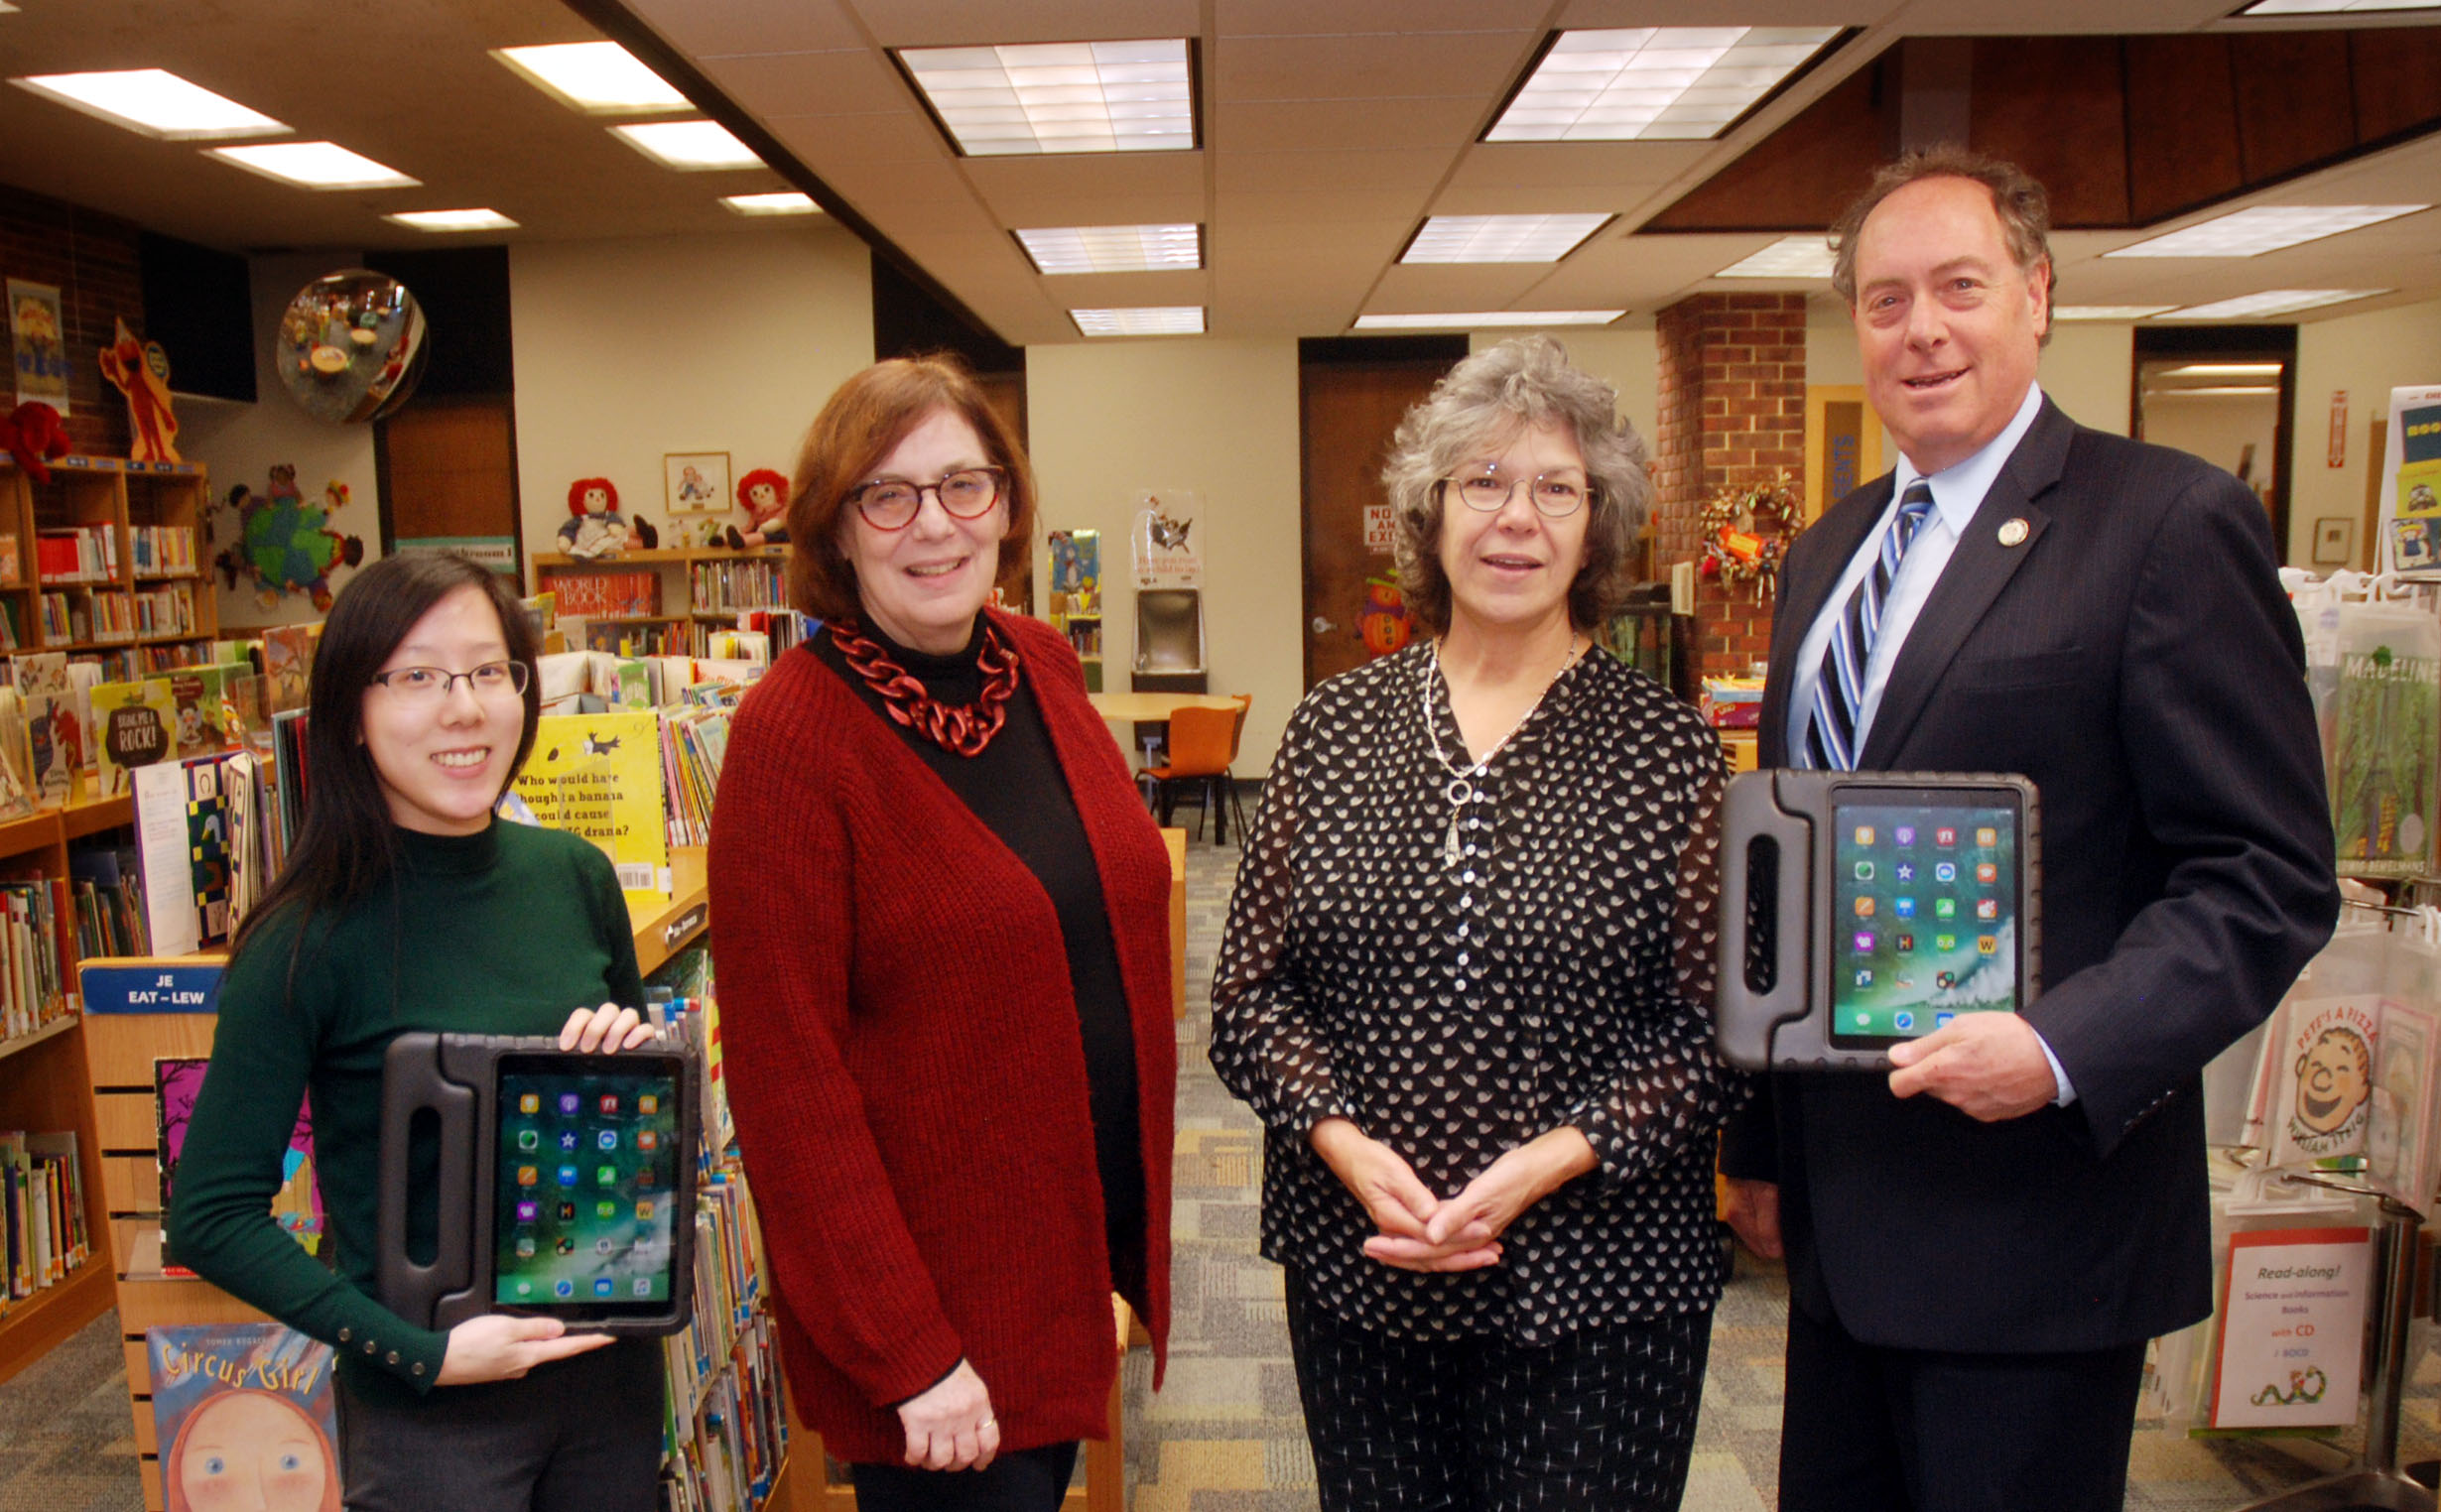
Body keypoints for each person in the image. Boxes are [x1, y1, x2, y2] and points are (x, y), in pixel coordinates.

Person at [1718, 146, 2341, 1511]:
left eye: (1960, 287)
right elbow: (1797, 873)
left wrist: (2061, 1049)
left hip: (2033, 1226)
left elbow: (2267, 875)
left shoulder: (2166, 522)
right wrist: (1758, 1146)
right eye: (1886, 300)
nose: (1922, 330)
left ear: (2039, 295)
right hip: (1841, 1224)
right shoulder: (1828, 553)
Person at [1211, 336, 1745, 1510]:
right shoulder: (1333, 730)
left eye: (1556, 488)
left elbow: (1718, 1033)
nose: (1517, 518)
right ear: (1432, 512)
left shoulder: (1668, 754)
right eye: (1484, 482)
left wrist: (1548, 1162)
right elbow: (1250, 998)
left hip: (1602, 1282)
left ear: (1598, 526)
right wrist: (1344, 1145)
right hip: (1362, 1265)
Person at [707, 353, 1175, 1509]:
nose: (935, 524)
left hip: (1061, 1263)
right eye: (888, 494)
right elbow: (786, 1085)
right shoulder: (790, 737)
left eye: (965, 484)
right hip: (935, 1328)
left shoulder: (1041, 664)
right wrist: (905, 1352)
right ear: (836, 526)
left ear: (1006, 505)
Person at [168, 552, 667, 1511]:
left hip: (607, 1377)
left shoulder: (574, 876)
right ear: (351, 714)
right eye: (419, 677)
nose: (464, 709)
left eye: (489, 672)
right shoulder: (305, 936)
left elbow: (641, 1150)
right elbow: (211, 1216)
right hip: (436, 1416)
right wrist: (419, 1356)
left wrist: (626, 1079)